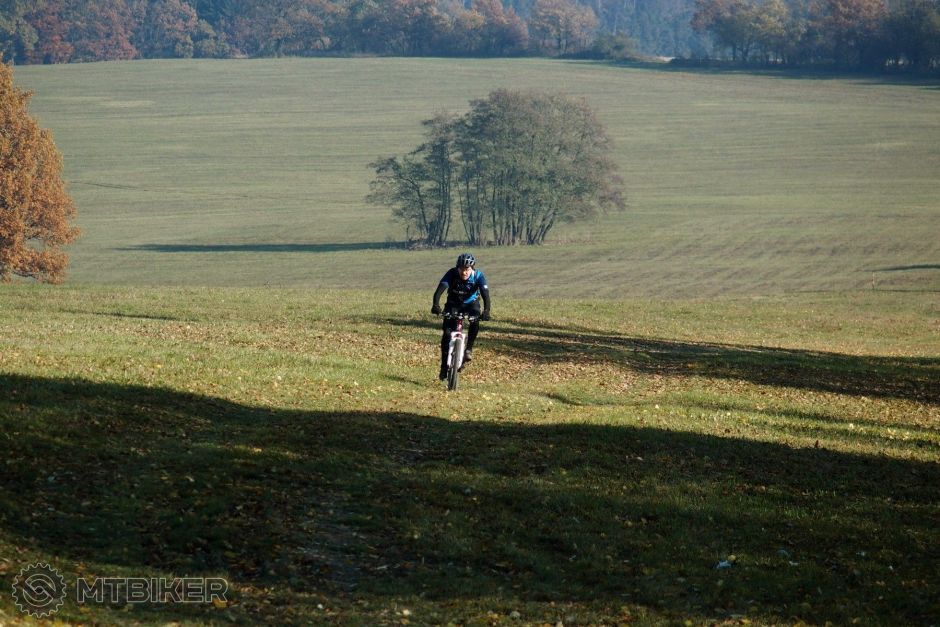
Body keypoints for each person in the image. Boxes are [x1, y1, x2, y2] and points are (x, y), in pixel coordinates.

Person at [431, 253, 491, 381]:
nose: (464, 272)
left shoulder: (478, 276)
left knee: (475, 321)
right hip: (453, 304)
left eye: (467, 269)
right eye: (462, 269)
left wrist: (486, 311)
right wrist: (435, 304)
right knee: (447, 335)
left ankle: (468, 348)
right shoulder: (452, 273)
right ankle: (443, 367)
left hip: (471, 304)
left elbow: (485, 293)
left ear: (472, 269)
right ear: (458, 268)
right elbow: (441, 288)